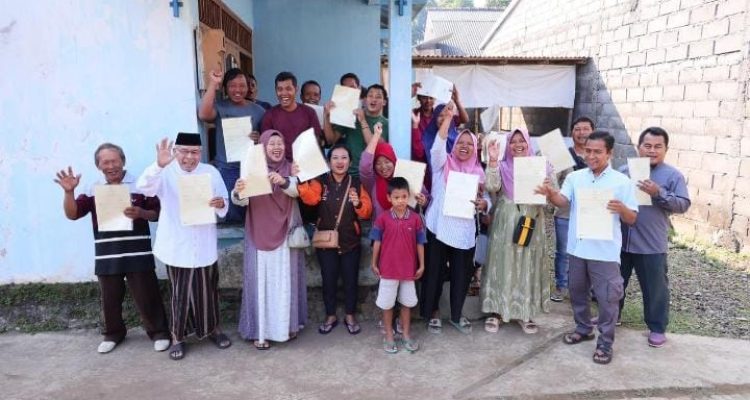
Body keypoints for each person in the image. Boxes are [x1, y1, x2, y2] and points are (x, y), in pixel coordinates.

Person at [54, 143, 170, 354]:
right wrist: (69, 192)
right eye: (105, 162)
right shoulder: (92, 187)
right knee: (110, 297)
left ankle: (159, 332)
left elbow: (156, 213)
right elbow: (73, 214)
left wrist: (141, 213)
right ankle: (113, 333)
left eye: (115, 161)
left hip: (138, 250)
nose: (111, 166)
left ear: (123, 161)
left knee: (147, 294)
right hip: (107, 251)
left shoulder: (140, 183)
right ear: (98, 166)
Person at [536, 130, 638, 365]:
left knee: (607, 299)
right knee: (577, 293)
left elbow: (632, 218)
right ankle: (583, 328)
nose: (591, 156)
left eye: (597, 152)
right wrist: (551, 194)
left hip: (605, 253)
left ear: (609, 153)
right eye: (588, 151)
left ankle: (605, 343)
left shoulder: (622, 182)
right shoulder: (576, 178)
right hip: (578, 249)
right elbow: (563, 202)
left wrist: (622, 209)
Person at [136, 133, 232, 361]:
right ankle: (177, 336)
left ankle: (212, 329)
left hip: (204, 243)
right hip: (177, 245)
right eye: (185, 151)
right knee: (180, 294)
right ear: (176, 151)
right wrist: (158, 165)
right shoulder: (165, 171)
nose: (190, 157)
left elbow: (224, 202)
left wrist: (220, 203)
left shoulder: (210, 172)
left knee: (208, 290)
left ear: (201, 152)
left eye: (195, 152)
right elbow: (144, 188)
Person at [231, 130, 308, 350]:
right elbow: (241, 201)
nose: (276, 147)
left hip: (285, 232)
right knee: (261, 282)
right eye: (271, 143)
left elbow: (299, 191)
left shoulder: (292, 167)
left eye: (280, 143)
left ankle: (287, 327)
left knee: (284, 280)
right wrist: (237, 192)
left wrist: (283, 182)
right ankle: (260, 332)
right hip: (259, 232)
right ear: (263, 148)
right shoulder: (252, 168)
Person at [420, 103, 490, 335]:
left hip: (463, 231)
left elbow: (486, 198)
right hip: (438, 228)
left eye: (470, 144)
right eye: (460, 142)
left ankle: (457, 315)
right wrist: (448, 119)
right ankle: (432, 312)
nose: (464, 147)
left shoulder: (478, 172)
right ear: (454, 144)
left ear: (475, 148)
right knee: (434, 273)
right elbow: (437, 146)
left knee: (462, 275)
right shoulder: (442, 164)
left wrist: (484, 204)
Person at [619, 127, 690, 348]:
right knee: (614, 283)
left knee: (655, 289)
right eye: (647, 145)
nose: (652, 150)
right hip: (620, 241)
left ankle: (657, 328)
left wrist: (658, 193)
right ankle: (611, 316)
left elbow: (683, 204)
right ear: (638, 147)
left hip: (650, 244)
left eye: (658, 146)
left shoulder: (673, 176)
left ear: (665, 149)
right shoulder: (624, 171)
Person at [481, 129, 553, 334]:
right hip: (506, 221)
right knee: (502, 261)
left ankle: (524, 312)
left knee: (527, 262)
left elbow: (552, 201)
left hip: (531, 218)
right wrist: (493, 160)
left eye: (522, 141)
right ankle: (496, 311)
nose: (518, 145)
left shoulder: (542, 166)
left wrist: (547, 188)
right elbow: (491, 186)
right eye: (513, 141)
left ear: (529, 143)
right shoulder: (502, 166)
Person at [298, 144, 373, 336]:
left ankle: (350, 316)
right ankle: (330, 316)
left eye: (344, 158)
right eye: (335, 158)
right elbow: (310, 199)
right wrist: (301, 179)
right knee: (328, 280)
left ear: (350, 162)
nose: (340, 162)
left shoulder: (356, 183)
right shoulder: (321, 182)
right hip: (326, 243)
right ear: (329, 162)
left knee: (351, 281)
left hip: (350, 241)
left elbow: (367, 212)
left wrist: (358, 203)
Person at [198, 68, 265, 224]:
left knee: (252, 214)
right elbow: (203, 114)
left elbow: (268, 140)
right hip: (226, 170)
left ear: (248, 87)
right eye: (232, 86)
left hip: (250, 170)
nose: (237, 90)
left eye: (242, 85)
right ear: (225, 88)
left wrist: (259, 138)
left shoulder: (259, 111)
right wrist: (213, 83)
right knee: (230, 213)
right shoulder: (220, 107)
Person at [370, 177, 426, 353]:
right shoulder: (382, 218)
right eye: (396, 197)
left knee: (407, 304)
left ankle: (406, 334)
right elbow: (377, 241)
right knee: (387, 305)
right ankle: (389, 335)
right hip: (388, 270)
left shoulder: (415, 219)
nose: (400, 201)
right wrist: (373, 262)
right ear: (389, 198)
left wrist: (422, 264)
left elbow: (420, 243)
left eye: (404, 197)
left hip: (408, 271)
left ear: (409, 196)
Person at [551, 116, 594, 302]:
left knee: (589, 252)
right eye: (577, 129)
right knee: (564, 252)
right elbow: (554, 181)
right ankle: (561, 286)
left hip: (591, 214)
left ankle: (586, 288)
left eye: (586, 129)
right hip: (565, 213)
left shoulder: (598, 155)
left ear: (593, 131)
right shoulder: (563, 156)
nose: (581, 133)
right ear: (572, 133)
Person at [359, 122, 429, 219]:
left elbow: (427, 200)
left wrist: (424, 201)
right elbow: (364, 165)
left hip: (408, 227)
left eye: (387, 161)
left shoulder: (408, 174)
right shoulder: (373, 182)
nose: (383, 167)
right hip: (382, 228)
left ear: (393, 161)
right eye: (378, 163)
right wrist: (376, 135)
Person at [323, 84, 389, 177]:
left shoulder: (386, 124)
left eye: (378, 97)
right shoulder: (352, 117)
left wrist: (362, 120)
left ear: (384, 102)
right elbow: (331, 140)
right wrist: (326, 116)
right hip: (348, 174)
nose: (373, 99)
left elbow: (374, 146)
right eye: (370, 96)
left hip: (371, 176)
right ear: (364, 100)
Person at [260, 71, 323, 161]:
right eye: (280, 89)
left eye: (288, 89)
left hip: (305, 164)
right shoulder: (269, 115)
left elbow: (316, 141)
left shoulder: (309, 112)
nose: (284, 93)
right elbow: (266, 145)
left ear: (296, 89)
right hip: (280, 166)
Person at [411, 84, 469, 164]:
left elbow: (465, 119)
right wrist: (409, 94)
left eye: (431, 98)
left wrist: (457, 101)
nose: (428, 101)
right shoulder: (414, 115)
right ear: (419, 98)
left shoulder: (440, 113)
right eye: (424, 97)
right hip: (421, 161)